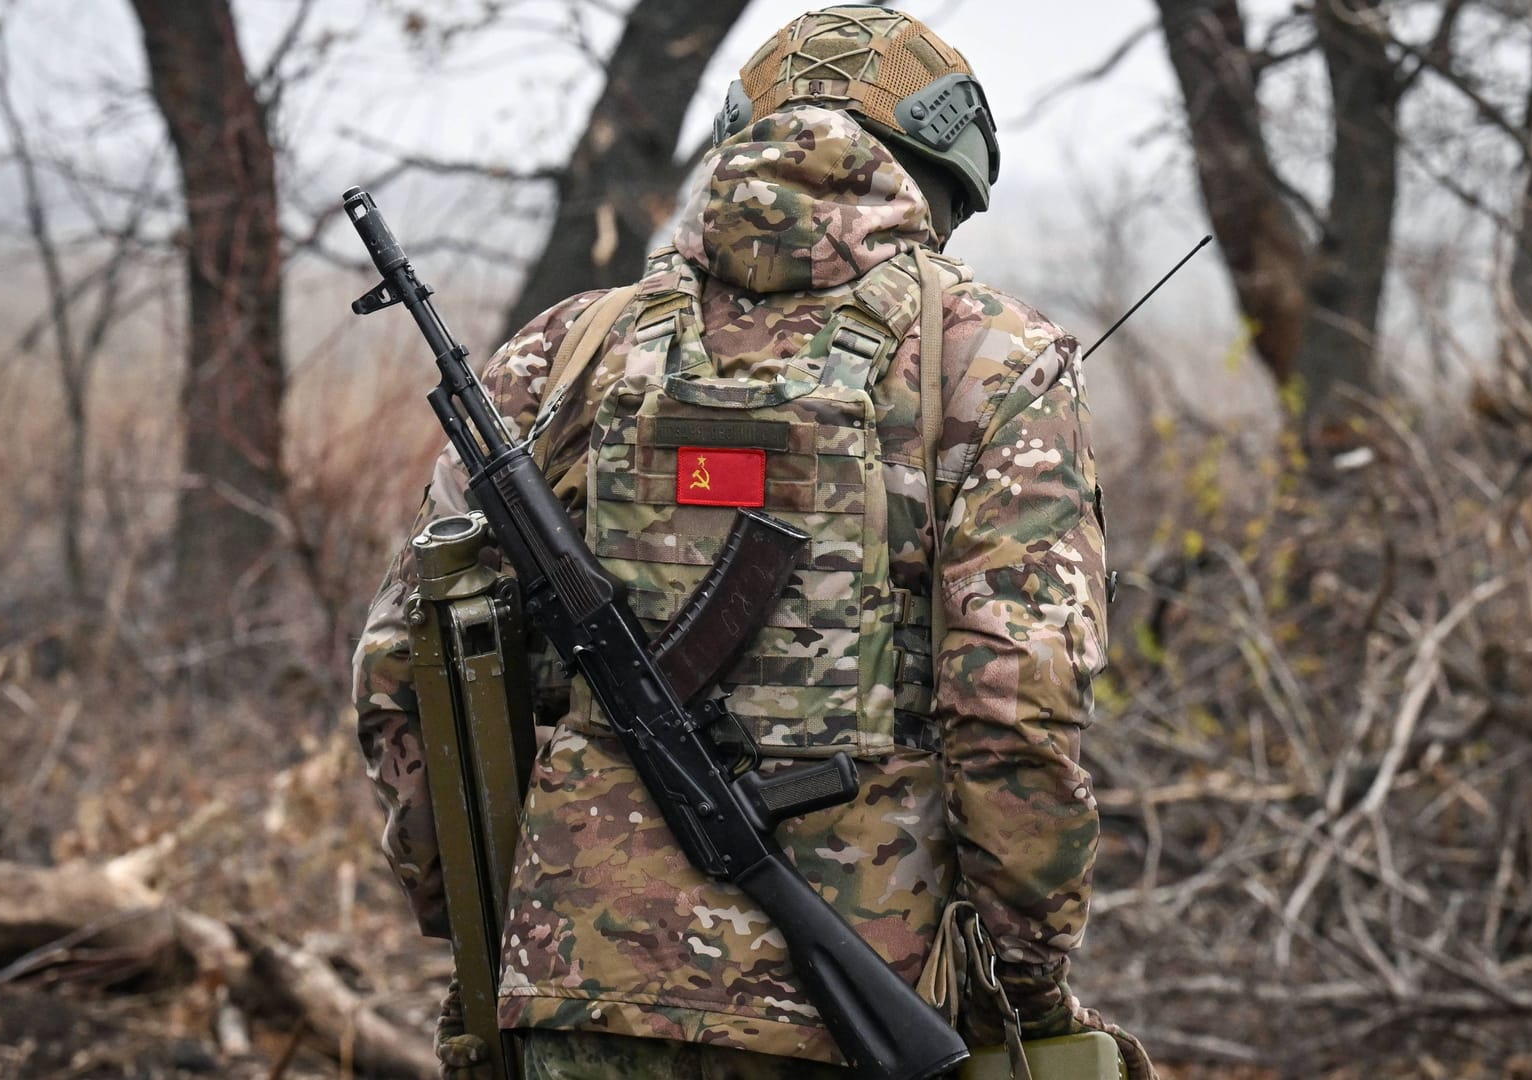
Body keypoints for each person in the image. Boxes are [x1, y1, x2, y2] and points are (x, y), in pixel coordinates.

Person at [353, 6, 1148, 1077]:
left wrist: (484, 937)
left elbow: (406, 673)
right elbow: (1016, 717)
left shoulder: (567, 351)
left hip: (576, 986)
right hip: (865, 1003)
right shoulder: (995, 363)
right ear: (940, 181)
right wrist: (1031, 992)